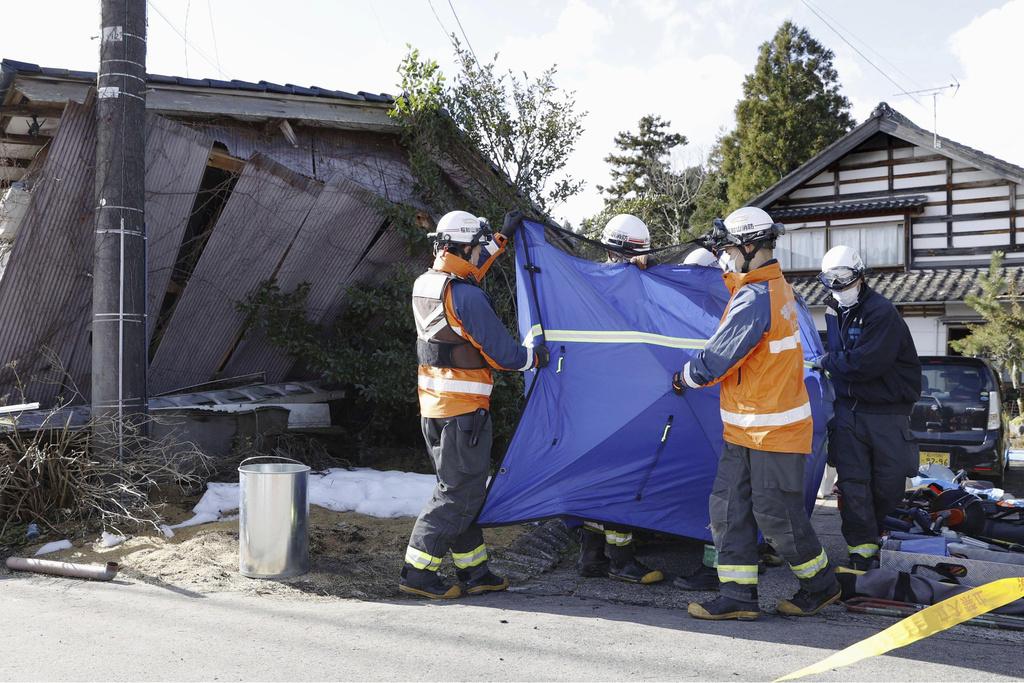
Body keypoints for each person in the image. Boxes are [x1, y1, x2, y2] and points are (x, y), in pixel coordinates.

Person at [671, 206, 840, 620]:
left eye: (730, 247)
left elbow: (718, 357)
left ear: (749, 245)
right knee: (728, 507)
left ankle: (821, 584)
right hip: (748, 429)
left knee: (777, 514)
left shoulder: (755, 296)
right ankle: (737, 595)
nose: (726, 255)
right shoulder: (771, 287)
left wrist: (687, 377)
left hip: (773, 432)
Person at [401, 209, 549, 599]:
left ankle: (474, 570)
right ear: (466, 246)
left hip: (434, 408)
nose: (483, 253)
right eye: (479, 247)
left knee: (464, 488)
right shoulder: (465, 295)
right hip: (463, 413)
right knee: (459, 493)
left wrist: (500, 239)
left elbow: (468, 279)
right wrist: (534, 358)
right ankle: (416, 571)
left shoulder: (429, 284)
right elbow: (503, 355)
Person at [815, 245, 921, 570]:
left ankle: (884, 541)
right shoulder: (834, 311)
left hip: (886, 412)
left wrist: (827, 362)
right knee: (852, 483)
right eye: (830, 281)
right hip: (848, 411)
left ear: (860, 275)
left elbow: (866, 363)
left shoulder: (881, 312)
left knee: (887, 485)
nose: (838, 287)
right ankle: (861, 555)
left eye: (844, 280)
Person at [575, 214, 665, 585]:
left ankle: (590, 557)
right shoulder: (630, 288)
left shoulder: (587, 282)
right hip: (623, 401)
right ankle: (622, 560)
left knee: (595, 478)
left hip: (591, 400)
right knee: (623, 481)